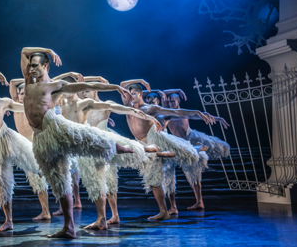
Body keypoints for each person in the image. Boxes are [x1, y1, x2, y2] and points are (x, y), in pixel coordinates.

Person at [20, 47, 147, 238]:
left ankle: (127, 148)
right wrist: (47, 50)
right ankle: (69, 228)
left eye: (36, 66)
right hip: (41, 138)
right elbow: (24, 50)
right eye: (30, 66)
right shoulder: (28, 81)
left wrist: (114, 87)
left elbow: (83, 87)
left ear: (46, 65)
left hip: (56, 128)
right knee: (60, 183)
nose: (31, 69)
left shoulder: (54, 86)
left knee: (90, 138)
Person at [55, 73, 160, 230]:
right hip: (80, 147)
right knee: (98, 181)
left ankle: (102, 218)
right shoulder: (62, 101)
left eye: (68, 89)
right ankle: (106, 217)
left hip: (92, 142)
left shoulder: (85, 103)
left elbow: (115, 107)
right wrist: (69, 74)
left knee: (101, 178)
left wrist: (142, 114)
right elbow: (51, 82)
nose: (64, 92)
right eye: (63, 89)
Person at [119, 79, 218, 220]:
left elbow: (176, 112)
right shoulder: (128, 106)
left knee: (156, 178)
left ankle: (164, 212)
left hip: (154, 141)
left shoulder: (149, 109)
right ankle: (194, 149)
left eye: (133, 93)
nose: (130, 96)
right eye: (128, 94)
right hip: (144, 145)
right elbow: (122, 84)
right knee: (156, 176)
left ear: (140, 94)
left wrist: (197, 112)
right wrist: (140, 80)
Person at [0, 69, 44, 231]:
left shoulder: (3, 102)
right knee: (0, 181)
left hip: (7, 137)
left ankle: (42, 170)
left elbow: (24, 107)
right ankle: (9, 220)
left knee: (30, 158)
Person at [163, 89, 230, 211]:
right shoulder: (167, 112)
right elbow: (162, 92)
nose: (171, 103)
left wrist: (219, 119)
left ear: (178, 101)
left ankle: (200, 202)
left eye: (173, 101)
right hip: (178, 144)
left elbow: (201, 115)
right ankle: (173, 206)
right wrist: (178, 90)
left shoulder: (185, 113)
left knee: (195, 171)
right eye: (169, 101)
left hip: (190, 139)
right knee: (170, 171)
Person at [9, 79, 51, 221]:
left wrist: (31, 83)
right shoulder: (15, 104)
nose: (20, 96)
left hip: (35, 144)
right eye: (19, 93)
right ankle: (45, 211)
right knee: (36, 180)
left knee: (40, 178)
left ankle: (47, 211)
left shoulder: (31, 106)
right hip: (24, 146)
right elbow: (12, 82)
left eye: (23, 93)